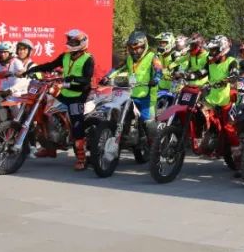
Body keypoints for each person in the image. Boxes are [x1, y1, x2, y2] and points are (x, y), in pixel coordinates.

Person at [26, 29, 96, 170]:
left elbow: (86, 80)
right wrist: (32, 70)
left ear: (82, 43)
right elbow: (50, 65)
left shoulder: (88, 58)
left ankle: (81, 158)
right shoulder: (65, 56)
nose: (70, 43)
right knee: (45, 111)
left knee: (77, 125)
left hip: (78, 95)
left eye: (73, 41)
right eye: (69, 40)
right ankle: (50, 147)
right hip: (64, 92)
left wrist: (72, 79)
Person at [186, 35, 240, 161]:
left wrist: (227, 79)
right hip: (211, 99)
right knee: (197, 112)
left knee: (228, 127)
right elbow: (201, 73)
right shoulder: (210, 63)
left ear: (222, 49)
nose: (211, 52)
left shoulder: (231, 61)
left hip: (227, 99)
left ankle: (238, 153)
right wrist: (186, 75)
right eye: (210, 50)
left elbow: (235, 74)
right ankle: (202, 141)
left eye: (214, 50)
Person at [106, 30, 164, 132]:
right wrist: (107, 77)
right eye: (131, 49)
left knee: (148, 126)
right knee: (125, 120)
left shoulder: (152, 56)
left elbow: (159, 70)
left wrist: (156, 79)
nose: (134, 52)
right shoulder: (129, 58)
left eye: (137, 48)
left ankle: (153, 142)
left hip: (148, 98)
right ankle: (124, 139)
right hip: (131, 95)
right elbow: (117, 68)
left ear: (144, 46)